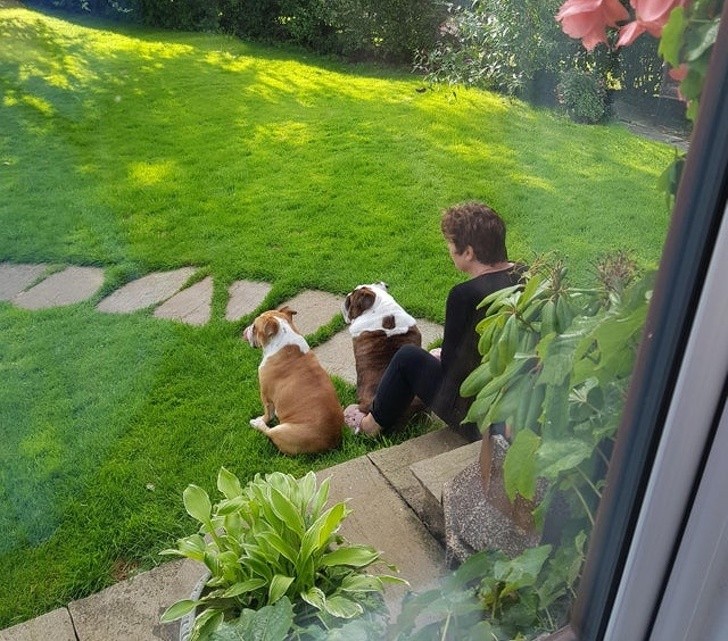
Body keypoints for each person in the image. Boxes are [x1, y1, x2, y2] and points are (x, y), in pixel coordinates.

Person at [345, 201, 526, 441]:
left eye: (451, 245)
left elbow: (454, 372)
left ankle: (369, 425)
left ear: (469, 252)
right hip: (523, 405)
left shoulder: (464, 295)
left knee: (408, 357)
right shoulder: (527, 274)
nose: (449, 250)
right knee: (432, 355)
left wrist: (439, 359)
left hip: (481, 419)